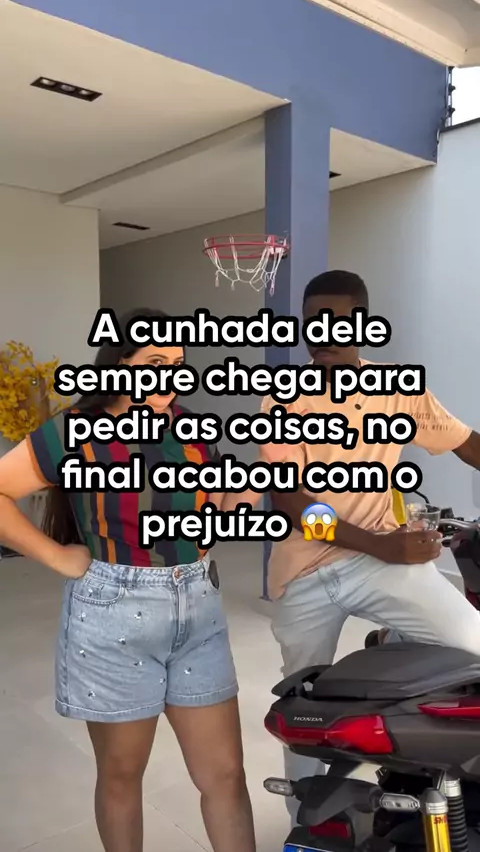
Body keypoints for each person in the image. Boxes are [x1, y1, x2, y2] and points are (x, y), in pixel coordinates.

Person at [0, 307, 272, 852]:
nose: (170, 377)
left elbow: (213, 508)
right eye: (154, 362)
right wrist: (56, 557)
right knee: (123, 776)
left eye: (178, 363)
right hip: (112, 614)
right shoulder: (76, 430)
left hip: (198, 609)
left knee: (224, 773)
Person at [261, 270, 480, 815]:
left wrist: (385, 551)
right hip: (304, 574)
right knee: (303, 705)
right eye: (311, 323)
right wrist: (383, 547)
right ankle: (307, 824)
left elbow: (467, 444)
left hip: (381, 565)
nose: (321, 334)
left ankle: (429, 778)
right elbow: (289, 502)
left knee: (473, 646)